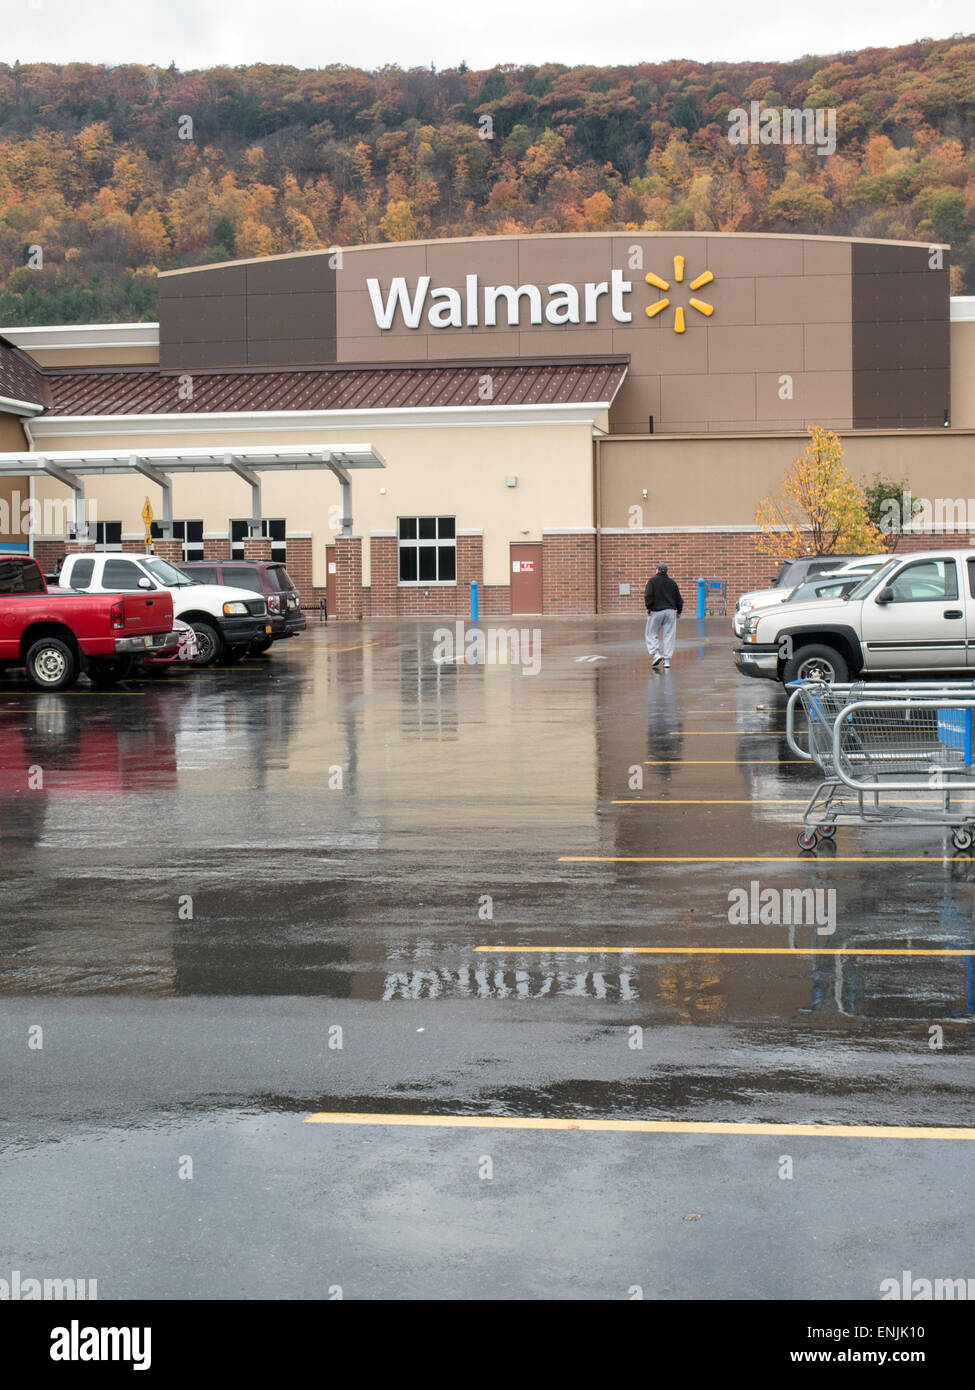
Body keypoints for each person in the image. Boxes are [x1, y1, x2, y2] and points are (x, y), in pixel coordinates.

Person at [644, 562, 683, 668]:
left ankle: (656, 654)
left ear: (657, 570)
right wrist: (679, 611)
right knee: (669, 635)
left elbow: (648, 596)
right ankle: (667, 661)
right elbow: (679, 599)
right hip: (670, 611)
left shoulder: (652, 581)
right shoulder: (672, 583)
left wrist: (648, 607)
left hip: (656, 611)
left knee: (651, 633)